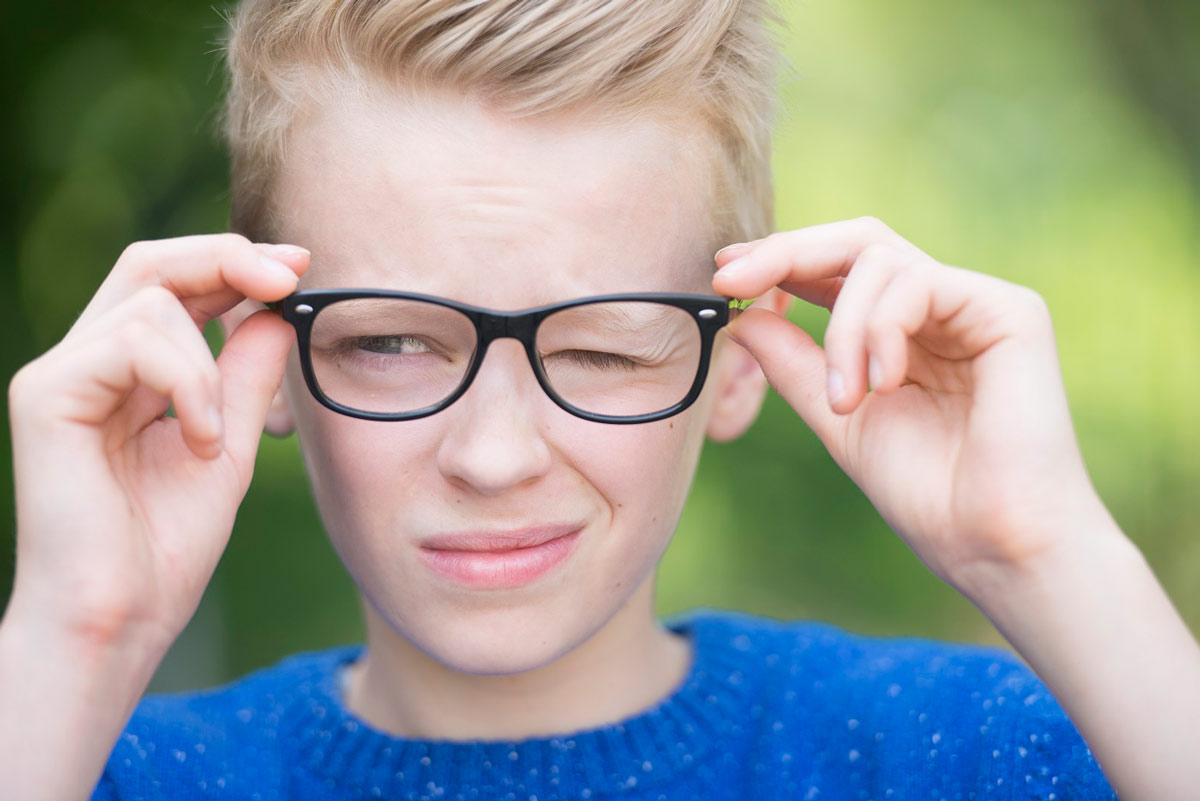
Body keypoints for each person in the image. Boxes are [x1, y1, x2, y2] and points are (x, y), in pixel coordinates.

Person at [2, 0, 1198, 798]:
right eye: (393, 344)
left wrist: (1052, 556)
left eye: (608, 352)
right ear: (254, 349)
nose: (493, 454)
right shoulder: (85, 760)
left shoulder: (987, 755)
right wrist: (72, 637)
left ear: (739, 358)